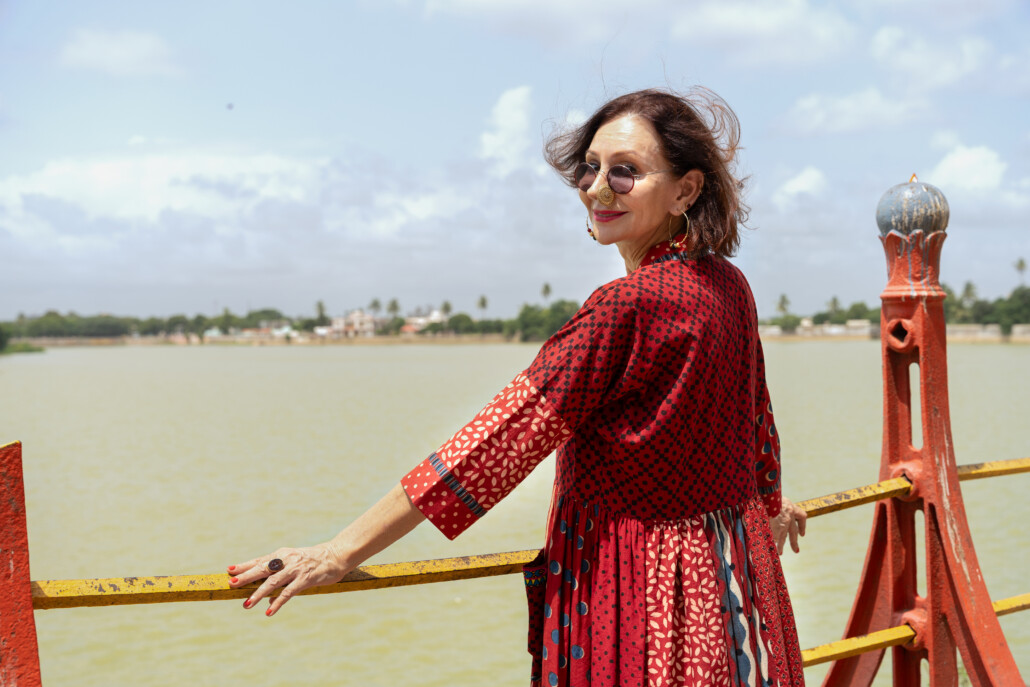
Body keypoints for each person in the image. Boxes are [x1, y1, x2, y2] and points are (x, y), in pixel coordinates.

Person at [229, 88, 808, 687]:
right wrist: (767, 505)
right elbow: (755, 419)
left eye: (626, 172)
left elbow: (494, 444)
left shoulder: (628, 305)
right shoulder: (728, 285)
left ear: (686, 189)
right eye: (591, 167)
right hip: (734, 576)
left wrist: (339, 552)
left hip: (642, 587)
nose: (597, 189)